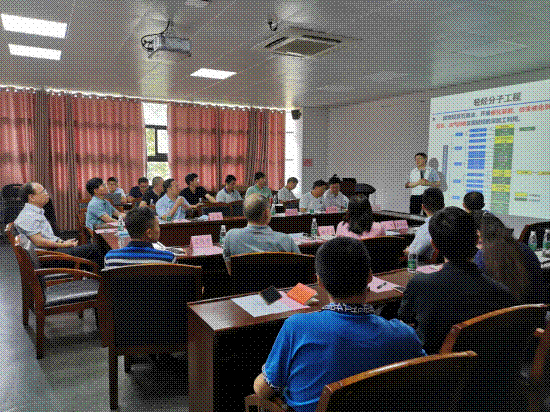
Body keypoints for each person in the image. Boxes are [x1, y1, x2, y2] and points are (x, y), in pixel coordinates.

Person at [254, 237, 426, 412]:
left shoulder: (297, 327)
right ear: (370, 276)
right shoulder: (404, 335)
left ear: (319, 282)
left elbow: (263, 390)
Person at [398, 206, 517, 355]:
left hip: (432, 365)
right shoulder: (501, 292)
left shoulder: (420, 283)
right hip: (485, 365)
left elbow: (404, 318)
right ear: (476, 239)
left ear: (434, 245)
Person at [14, 182, 103, 268]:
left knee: (92, 253)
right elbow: (39, 242)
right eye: (43, 192)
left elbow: (47, 236)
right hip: (48, 258)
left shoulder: (35, 212)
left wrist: (62, 242)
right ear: (32, 197)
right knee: (95, 248)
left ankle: (94, 274)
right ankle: (101, 275)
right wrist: (65, 245)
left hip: (51, 252)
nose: (47, 194)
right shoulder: (28, 216)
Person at [471, 211, 546, 304]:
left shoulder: (481, 258)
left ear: (478, 234)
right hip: (535, 310)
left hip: (503, 312)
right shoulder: (524, 248)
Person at [223, 193, 300, 274]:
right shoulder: (286, 239)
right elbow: (301, 268)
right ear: (267, 213)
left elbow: (229, 268)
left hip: (242, 282)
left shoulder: (231, 236)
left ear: (244, 213)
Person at [104, 207, 175, 268]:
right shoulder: (168, 259)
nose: (159, 230)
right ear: (149, 233)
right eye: (158, 226)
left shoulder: (110, 258)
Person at [403, 187, 444, 265]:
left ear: (423, 207)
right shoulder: (450, 226)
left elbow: (412, 255)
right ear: (443, 207)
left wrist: (407, 251)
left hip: (423, 268)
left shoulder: (426, 229)